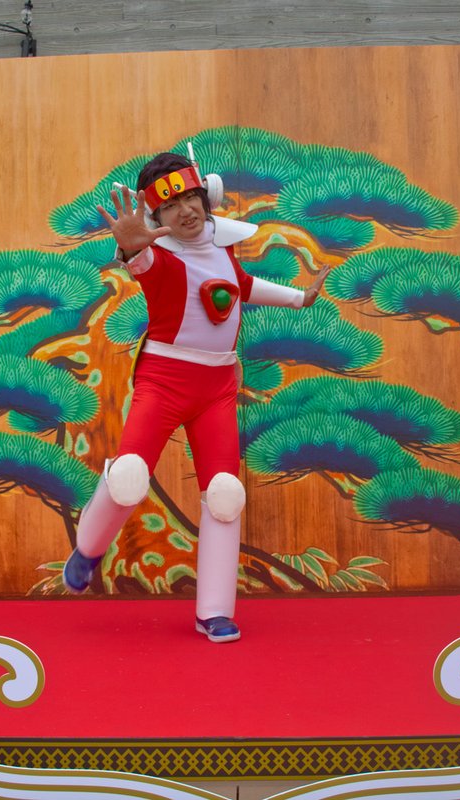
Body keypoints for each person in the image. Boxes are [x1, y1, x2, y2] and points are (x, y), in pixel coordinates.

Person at [62, 150, 329, 643]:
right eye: (170, 205)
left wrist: (299, 298)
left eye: (190, 198)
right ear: (156, 217)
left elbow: (240, 286)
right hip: (164, 381)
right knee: (128, 477)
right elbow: (139, 261)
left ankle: (214, 612)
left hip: (217, 389)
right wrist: (130, 249)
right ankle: (89, 550)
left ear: (208, 196)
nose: (184, 210)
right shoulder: (158, 256)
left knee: (225, 494)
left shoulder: (223, 246)